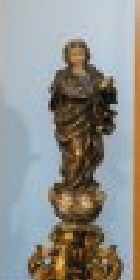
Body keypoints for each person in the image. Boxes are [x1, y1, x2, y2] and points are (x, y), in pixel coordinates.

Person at [49, 39, 116, 191]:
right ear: (67, 57)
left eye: (81, 53)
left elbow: (108, 96)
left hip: (92, 120)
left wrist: (108, 88)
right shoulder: (62, 76)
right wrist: (97, 87)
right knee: (77, 155)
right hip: (72, 122)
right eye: (73, 54)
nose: (78, 57)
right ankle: (71, 187)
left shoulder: (93, 72)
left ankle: (85, 183)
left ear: (86, 54)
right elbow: (71, 91)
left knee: (94, 154)